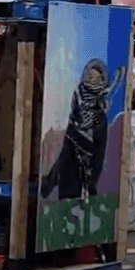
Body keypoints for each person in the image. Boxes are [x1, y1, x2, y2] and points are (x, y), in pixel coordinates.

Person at [41, 59, 112, 201]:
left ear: (101, 80)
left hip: (89, 158)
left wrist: (92, 184)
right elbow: (64, 154)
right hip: (73, 146)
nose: (91, 80)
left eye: (96, 78)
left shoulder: (100, 109)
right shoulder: (77, 98)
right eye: (89, 76)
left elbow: (99, 156)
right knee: (66, 166)